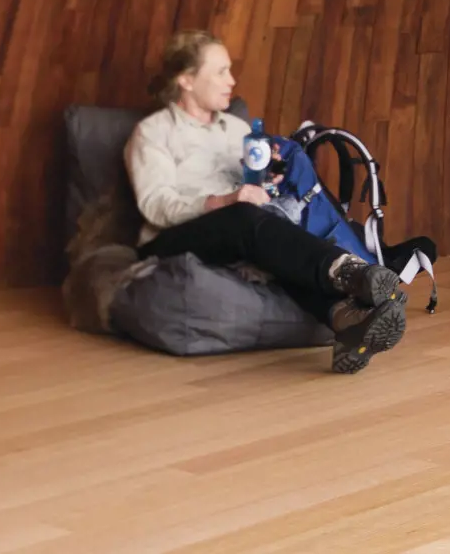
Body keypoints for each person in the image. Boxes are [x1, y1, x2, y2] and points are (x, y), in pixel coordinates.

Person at [125, 30, 409, 372]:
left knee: (277, 239)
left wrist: (272, 178)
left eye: (230, 70)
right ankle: (349, 271)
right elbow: (156, 204)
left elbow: (250, 182)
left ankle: (346, 321)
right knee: (245, 218)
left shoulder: (235, 128)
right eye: (220, 71)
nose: (231, 80)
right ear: (186, 79)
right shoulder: (154, 132)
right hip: (171, 236)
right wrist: (225, 200)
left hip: (239, 228)